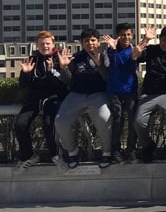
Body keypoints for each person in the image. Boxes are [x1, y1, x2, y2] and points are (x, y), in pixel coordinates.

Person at [54, 28, 113, 169]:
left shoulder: (105, 55)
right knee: (60, 121)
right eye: (86, 41)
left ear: (98, 42)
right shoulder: (76, 57)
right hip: (77, 94)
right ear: (82, 43)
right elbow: (69, 81)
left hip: (99, 94)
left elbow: (108, 78)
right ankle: (73, 152)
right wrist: (64, 68)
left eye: (93, 40)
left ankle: (107, 152)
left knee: (105, 118)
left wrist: (99, 64)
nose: (90, 43)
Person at [15, 31, 70, 169]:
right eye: (42, 44)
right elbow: (23, 84)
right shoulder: (32, 59)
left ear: (53, 44)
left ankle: (56, 154)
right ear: (37, 45)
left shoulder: (60, 58)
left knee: (49, 122)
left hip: (54, 97)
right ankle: (28, 155)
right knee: (20, 124)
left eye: (48, 43)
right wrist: (26, 74)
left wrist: (57, 70)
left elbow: (68, 82)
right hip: (34, 98)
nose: (45, 46)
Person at [133, 25, 166, 164]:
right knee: (138, 122)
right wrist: (145, 39)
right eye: (164, 40)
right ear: (160, 38)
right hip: (149, 93)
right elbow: (134, 56)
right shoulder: (151, 50)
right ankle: (147, 146)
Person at [103, 23, 143, 163]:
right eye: (123, 35)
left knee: (133, 121)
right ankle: (115, 151)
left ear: (132, 36)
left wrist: (146, 40)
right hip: (114, 91)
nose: (126, 37)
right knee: (117, 120)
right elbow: (116, 64)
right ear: (117, 36)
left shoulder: (134, 49)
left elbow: (129, 65)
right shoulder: (110, 49)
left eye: (128, 34)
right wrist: (113, 49)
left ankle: (131, 150)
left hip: (130, 91)